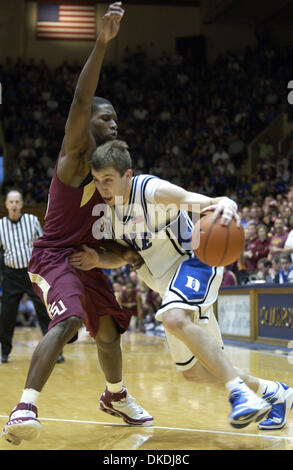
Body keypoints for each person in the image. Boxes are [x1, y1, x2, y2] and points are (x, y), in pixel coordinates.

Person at [2, 3, 152, 447]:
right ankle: (24, 406)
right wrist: (102, 43)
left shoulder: (111, 177)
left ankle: (116, 395)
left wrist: (118, 256)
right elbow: (82, 99)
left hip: (82, 260)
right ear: (87, 124)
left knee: (108, 332)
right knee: (67, 323)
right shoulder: (74, 159)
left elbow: (116, 250)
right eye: (107, 118)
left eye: (117, 119)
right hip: (51, 258)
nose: (114, 123)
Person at [70, 139, 293, 431]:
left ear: (127, 176)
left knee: (174, 317)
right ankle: (275, 393)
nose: (103, 188)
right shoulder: (108, 213)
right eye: (98, 181)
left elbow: (197, 201)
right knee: (196, 371)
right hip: (169, 287)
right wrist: (97, 259)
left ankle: (239, 394)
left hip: (195, 263)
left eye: (108, 180)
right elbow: (127, 257)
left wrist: (223, 202)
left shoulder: (149, 190)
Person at [0, 190, 60, 363]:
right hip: (11, 276)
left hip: (32, 274)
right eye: (11, 202)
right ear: (6, 205)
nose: (14, 205)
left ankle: (55, 351)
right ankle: (4, 351)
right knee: (6, 315)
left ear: (21, 204)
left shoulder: (32, 220)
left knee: (44, 311)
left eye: (17, 202)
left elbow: (42, 246)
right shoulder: (0, 225)